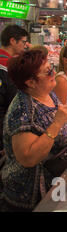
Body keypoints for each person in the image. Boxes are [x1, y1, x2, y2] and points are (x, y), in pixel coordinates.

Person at [2, 50, 67, 211]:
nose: (53, 73)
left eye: (51, 67)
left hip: (58, 181)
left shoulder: (47, 93)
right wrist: (57, 124)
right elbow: (28, 158)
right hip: (34, 195)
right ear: (30, 82)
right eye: (48, 72)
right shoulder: (22, 110)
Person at [0, 25, 29, 153]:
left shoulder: (11, 63)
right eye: (23, 42)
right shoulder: (5, 66)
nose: (26, 45)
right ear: (12, 41)